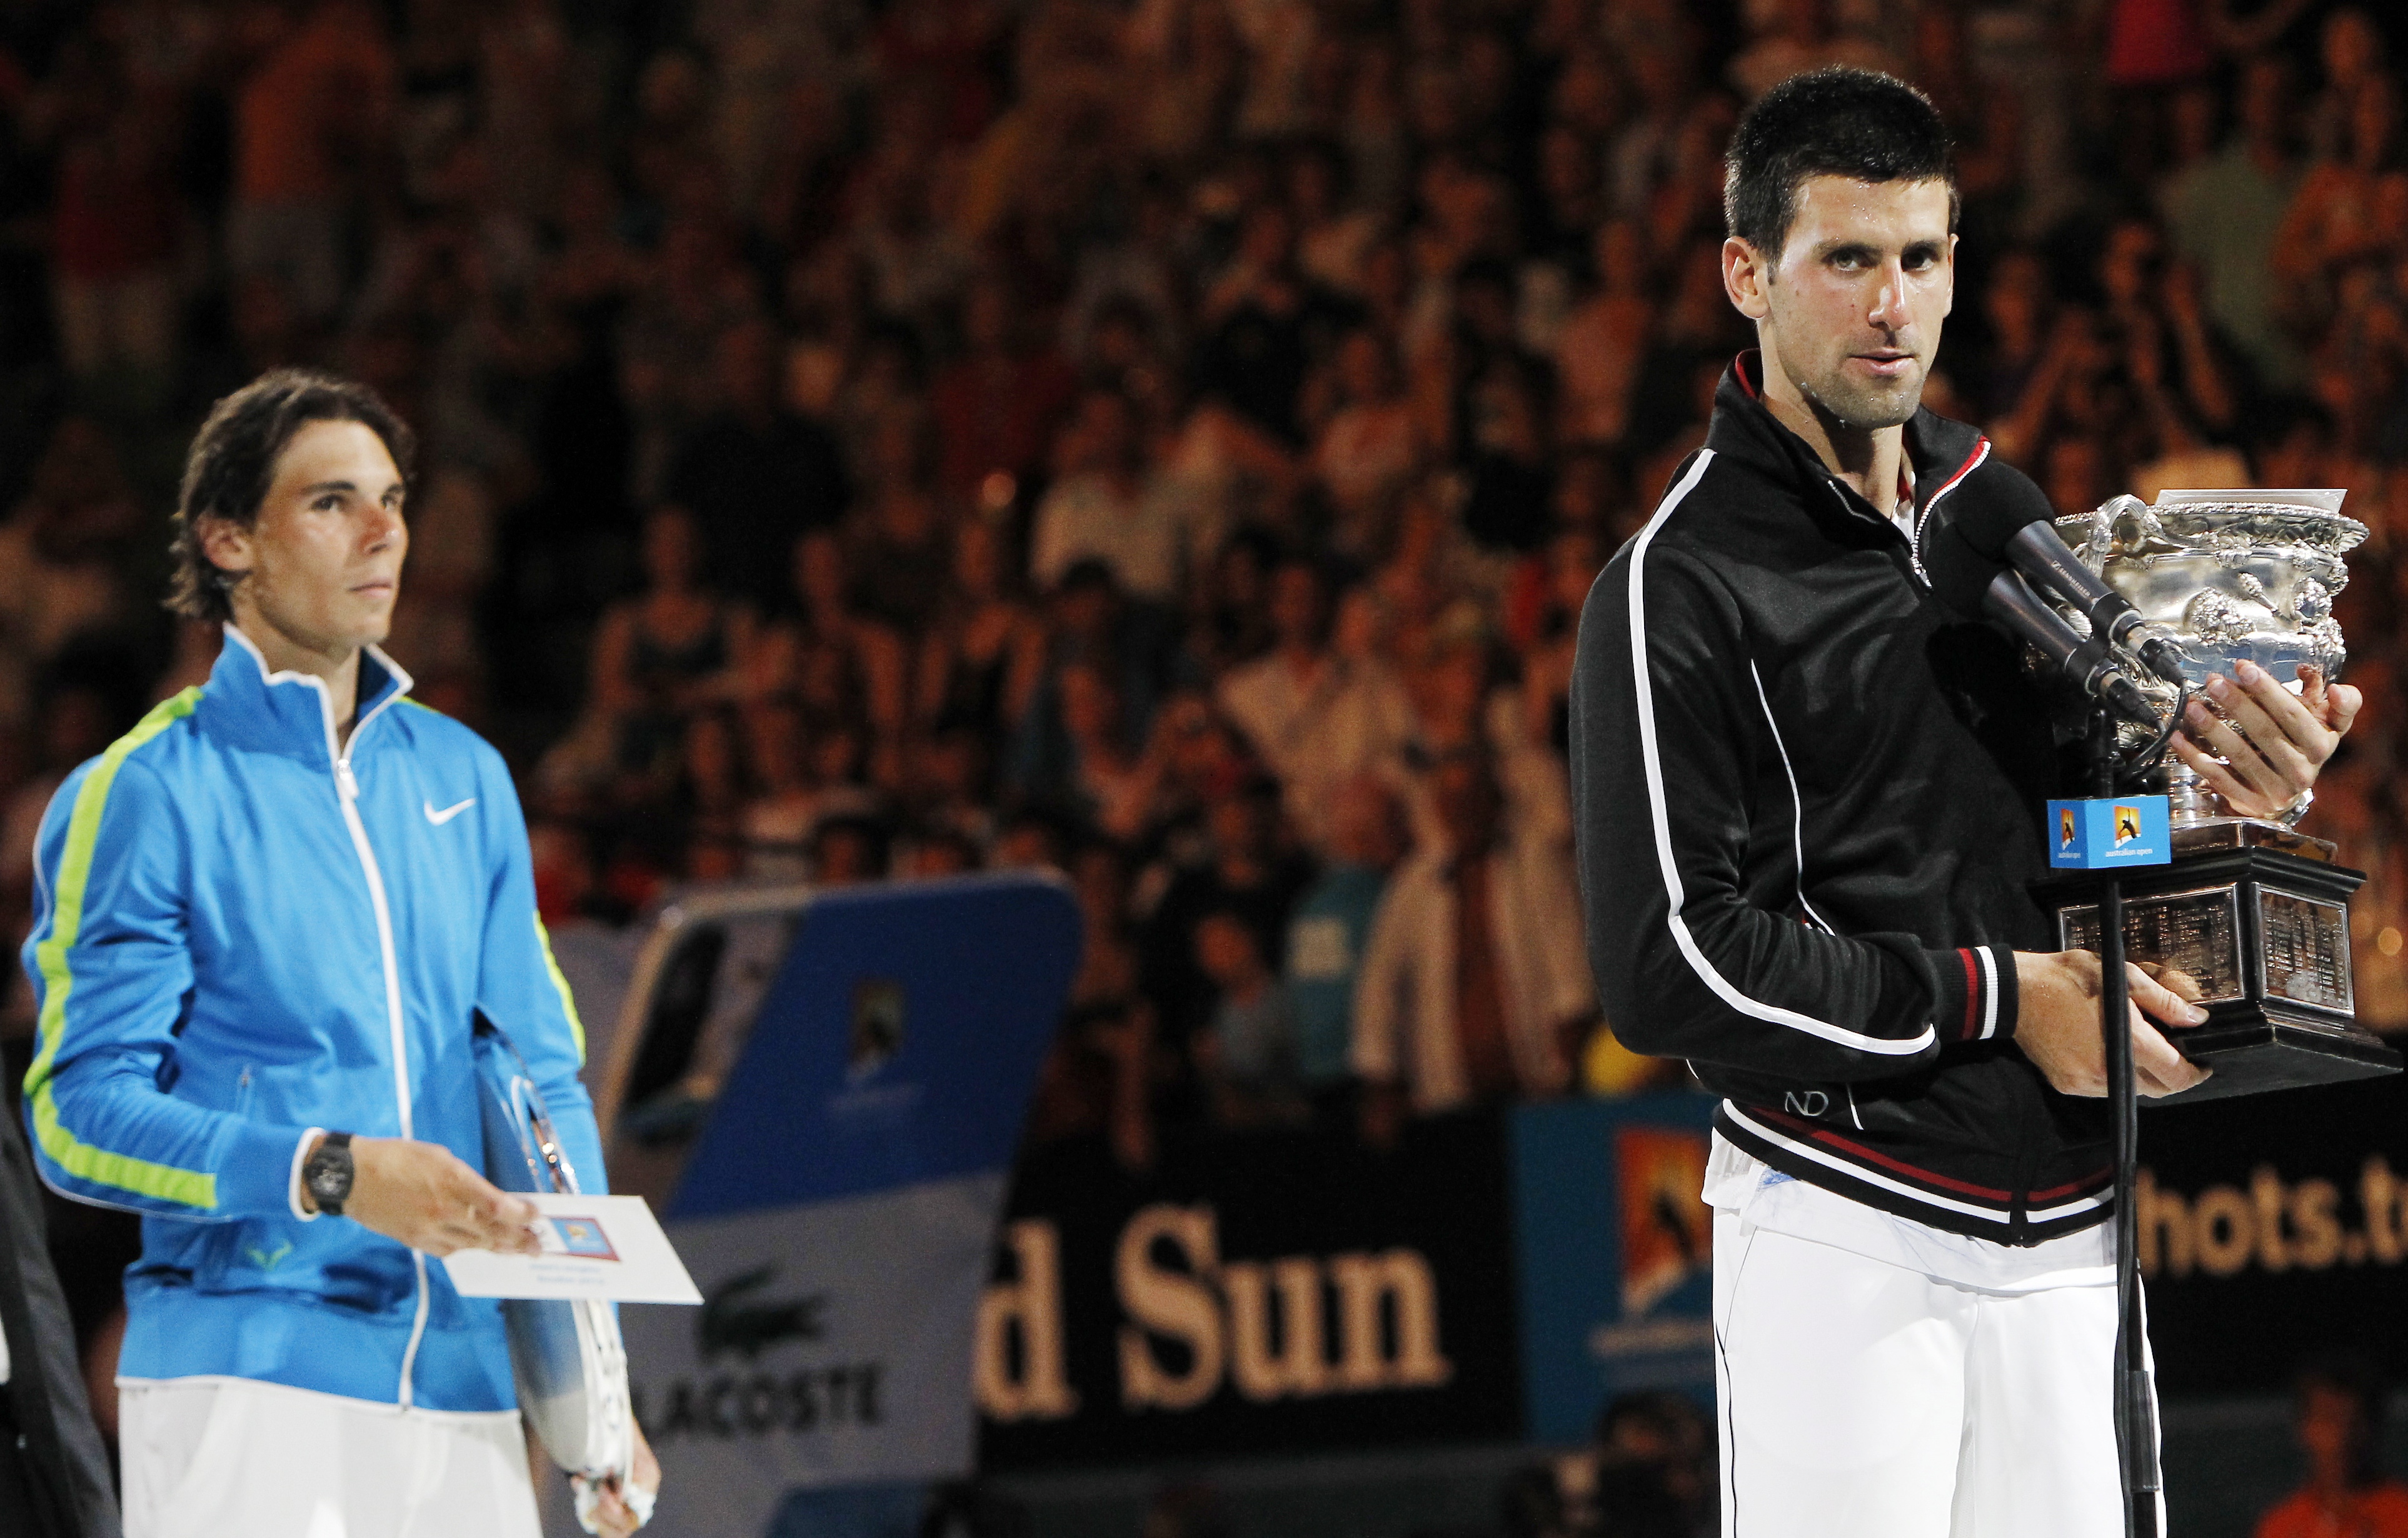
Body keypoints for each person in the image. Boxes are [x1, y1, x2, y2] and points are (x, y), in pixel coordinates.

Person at [1568, 70, 2359, 1536]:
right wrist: (1998, 997)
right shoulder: (1673, 583)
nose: (1891, 307)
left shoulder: (2006, 514)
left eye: (1921, 258)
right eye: (1847, 259)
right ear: (1746, 274)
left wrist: (2210, 797)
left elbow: (2077, 840)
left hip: (2071, 1223)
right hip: (1840, 1220)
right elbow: (1667, 965)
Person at [19, 371, 660, 1537]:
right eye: (331, 503)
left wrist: (590, 1389)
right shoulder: (143, 794)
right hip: (249, 1378)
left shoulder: (466, 776)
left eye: (394, 498)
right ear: (229, 541)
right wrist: (335, 1174)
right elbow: (76, 1118)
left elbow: (536, 1086)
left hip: (464, 1394)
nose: (384, 533)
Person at [2254, 1357, 2408, 1538]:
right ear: (2303, 1427)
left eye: (2353, 1421)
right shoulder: (2281, 1526)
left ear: (2374, 1427)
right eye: (2328, 1419)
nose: (2342, 1436)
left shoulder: (2401, 1516)